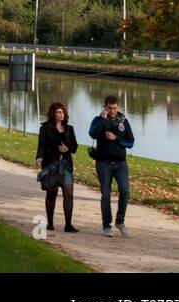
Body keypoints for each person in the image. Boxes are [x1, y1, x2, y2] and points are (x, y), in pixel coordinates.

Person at [89, 94, 135, 237]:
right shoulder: (98, 120)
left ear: (118, 107)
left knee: (125, 191)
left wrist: (116, 138)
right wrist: (102, 119)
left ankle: (120, 221)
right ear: (105, 107)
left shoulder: (123, 122)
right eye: (110, 108)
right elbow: (92, 134)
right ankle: (106, 225)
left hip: (121, 163)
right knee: (106, 195)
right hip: (103, 163)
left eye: (115, 108)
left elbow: (131, 142)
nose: (113, 111)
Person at [35, 101, 79, 234]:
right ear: (53, 114)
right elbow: (41, 145)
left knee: (69, 194)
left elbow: (75, 147)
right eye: (58, 112)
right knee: (51, 194)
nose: (61, 114)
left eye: (62, 112)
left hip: (65, 165)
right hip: (51, 165)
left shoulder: (69, 129)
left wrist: (67, 148)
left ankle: (68, 224)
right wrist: (39, 157)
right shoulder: (45, 128)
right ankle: (50, 223)